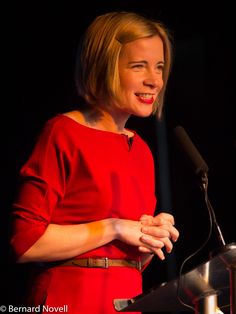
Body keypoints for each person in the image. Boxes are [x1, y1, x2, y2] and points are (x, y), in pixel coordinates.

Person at [10, 11, 179, 314]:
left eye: (160, 67)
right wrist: (114, 227)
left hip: (126, 300)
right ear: (105, 67)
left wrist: (150, 235)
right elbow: (24, 242)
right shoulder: (63, 132)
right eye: (139, 66)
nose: (155, 80)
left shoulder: (141, 150)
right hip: (69, 299)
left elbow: (131, 262)